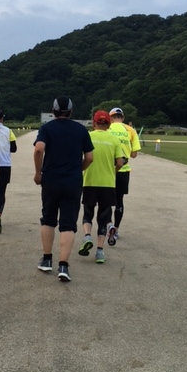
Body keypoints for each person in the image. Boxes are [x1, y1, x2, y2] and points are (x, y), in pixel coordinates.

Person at [33, 96, 94, 282]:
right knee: (68, 223)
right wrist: (78, 169)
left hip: (51, 180)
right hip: (72, 182)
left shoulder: (47, 128)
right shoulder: (81, 129)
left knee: (48, 219)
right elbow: (90, 157)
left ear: (53, 111)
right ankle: (63, 266)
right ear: (71, 111)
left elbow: (38, 149)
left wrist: (38, 172)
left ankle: (47, 259)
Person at [78, 110, 125, 263]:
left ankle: (87, 236)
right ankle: (99, 252)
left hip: (90, 181)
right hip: (107, 183)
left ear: (94, 123)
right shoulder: (114, 140)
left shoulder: (88, 136)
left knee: (88, 213)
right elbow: (120, 162)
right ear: (109, 124)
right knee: (103, 218)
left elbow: (82, 156)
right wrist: (112, 171)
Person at [108, 107, 141, 244]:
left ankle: (108, 224)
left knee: (106, 200)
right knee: (119, 200)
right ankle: (116, 229)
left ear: (110, 118)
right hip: (124, 170)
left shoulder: (107, 128)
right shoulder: (130, 130)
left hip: (109, 169)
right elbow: (134, 154)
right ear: (123, 117)